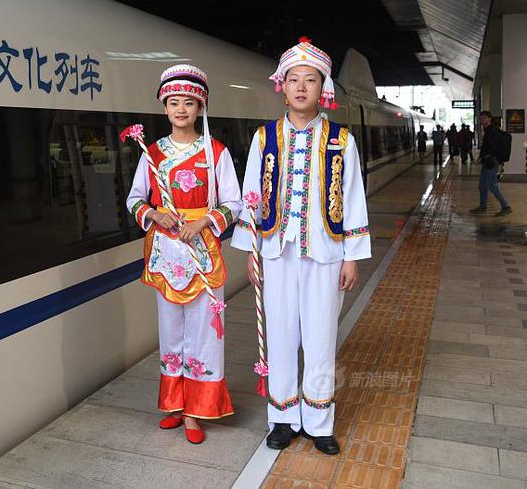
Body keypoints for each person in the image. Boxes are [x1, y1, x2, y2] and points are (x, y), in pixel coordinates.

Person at [232, 37, 371, 456]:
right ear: (283, 85)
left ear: (322, 89)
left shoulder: (341, 140)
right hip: (275, 252)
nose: (301, 87)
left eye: (311, 80)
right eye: (294, 79)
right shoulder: (263, 138)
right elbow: (250, 195)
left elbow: (352, 197)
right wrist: (250, 252)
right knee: (280, 336)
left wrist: (351, 257)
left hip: (325, 254)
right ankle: (282, 418)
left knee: (320, 337)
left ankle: (319, 420)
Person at [125, 64, 243, 445]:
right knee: (170, 331)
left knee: (204, 334)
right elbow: (134, 199)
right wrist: (155, 214)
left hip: (202, 254)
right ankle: (174, 404)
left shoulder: (216, 152)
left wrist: (205, 221)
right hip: (166, 254)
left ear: (200, 108)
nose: (181, 110)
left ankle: (197, 411)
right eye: (174, 102)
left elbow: (234, 204)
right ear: (164, 108)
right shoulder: (152, 153)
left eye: (188, 103)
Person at [470, 111, 512, 217]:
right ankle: (483, 206)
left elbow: (492, 147)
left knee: (491, 185)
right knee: (482, 185)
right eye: (480, 118)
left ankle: (506, 206)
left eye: (484, 118)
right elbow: (486, 147)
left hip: (491, 161)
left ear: (489, 119)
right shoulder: (488, 130)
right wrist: (481, 156)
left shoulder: (492, 131)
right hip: (487, 160)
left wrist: (487, 156)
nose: (481, 120)